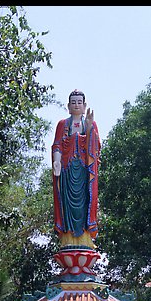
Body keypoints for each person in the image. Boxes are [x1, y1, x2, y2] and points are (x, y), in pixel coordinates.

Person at [52, 89, 101, 249]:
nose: (76, 105)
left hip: (84, 171)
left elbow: (96, 147)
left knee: (84, 202)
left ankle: (85, 239)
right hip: (67, 171)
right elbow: (57, 145)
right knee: (67, 203)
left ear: (84, 105)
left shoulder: (90, 123)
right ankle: (67, 238)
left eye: (79, 102)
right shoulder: (63, 124)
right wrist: (57, 161)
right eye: (73, 102)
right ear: (68, 106)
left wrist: (89, 130)